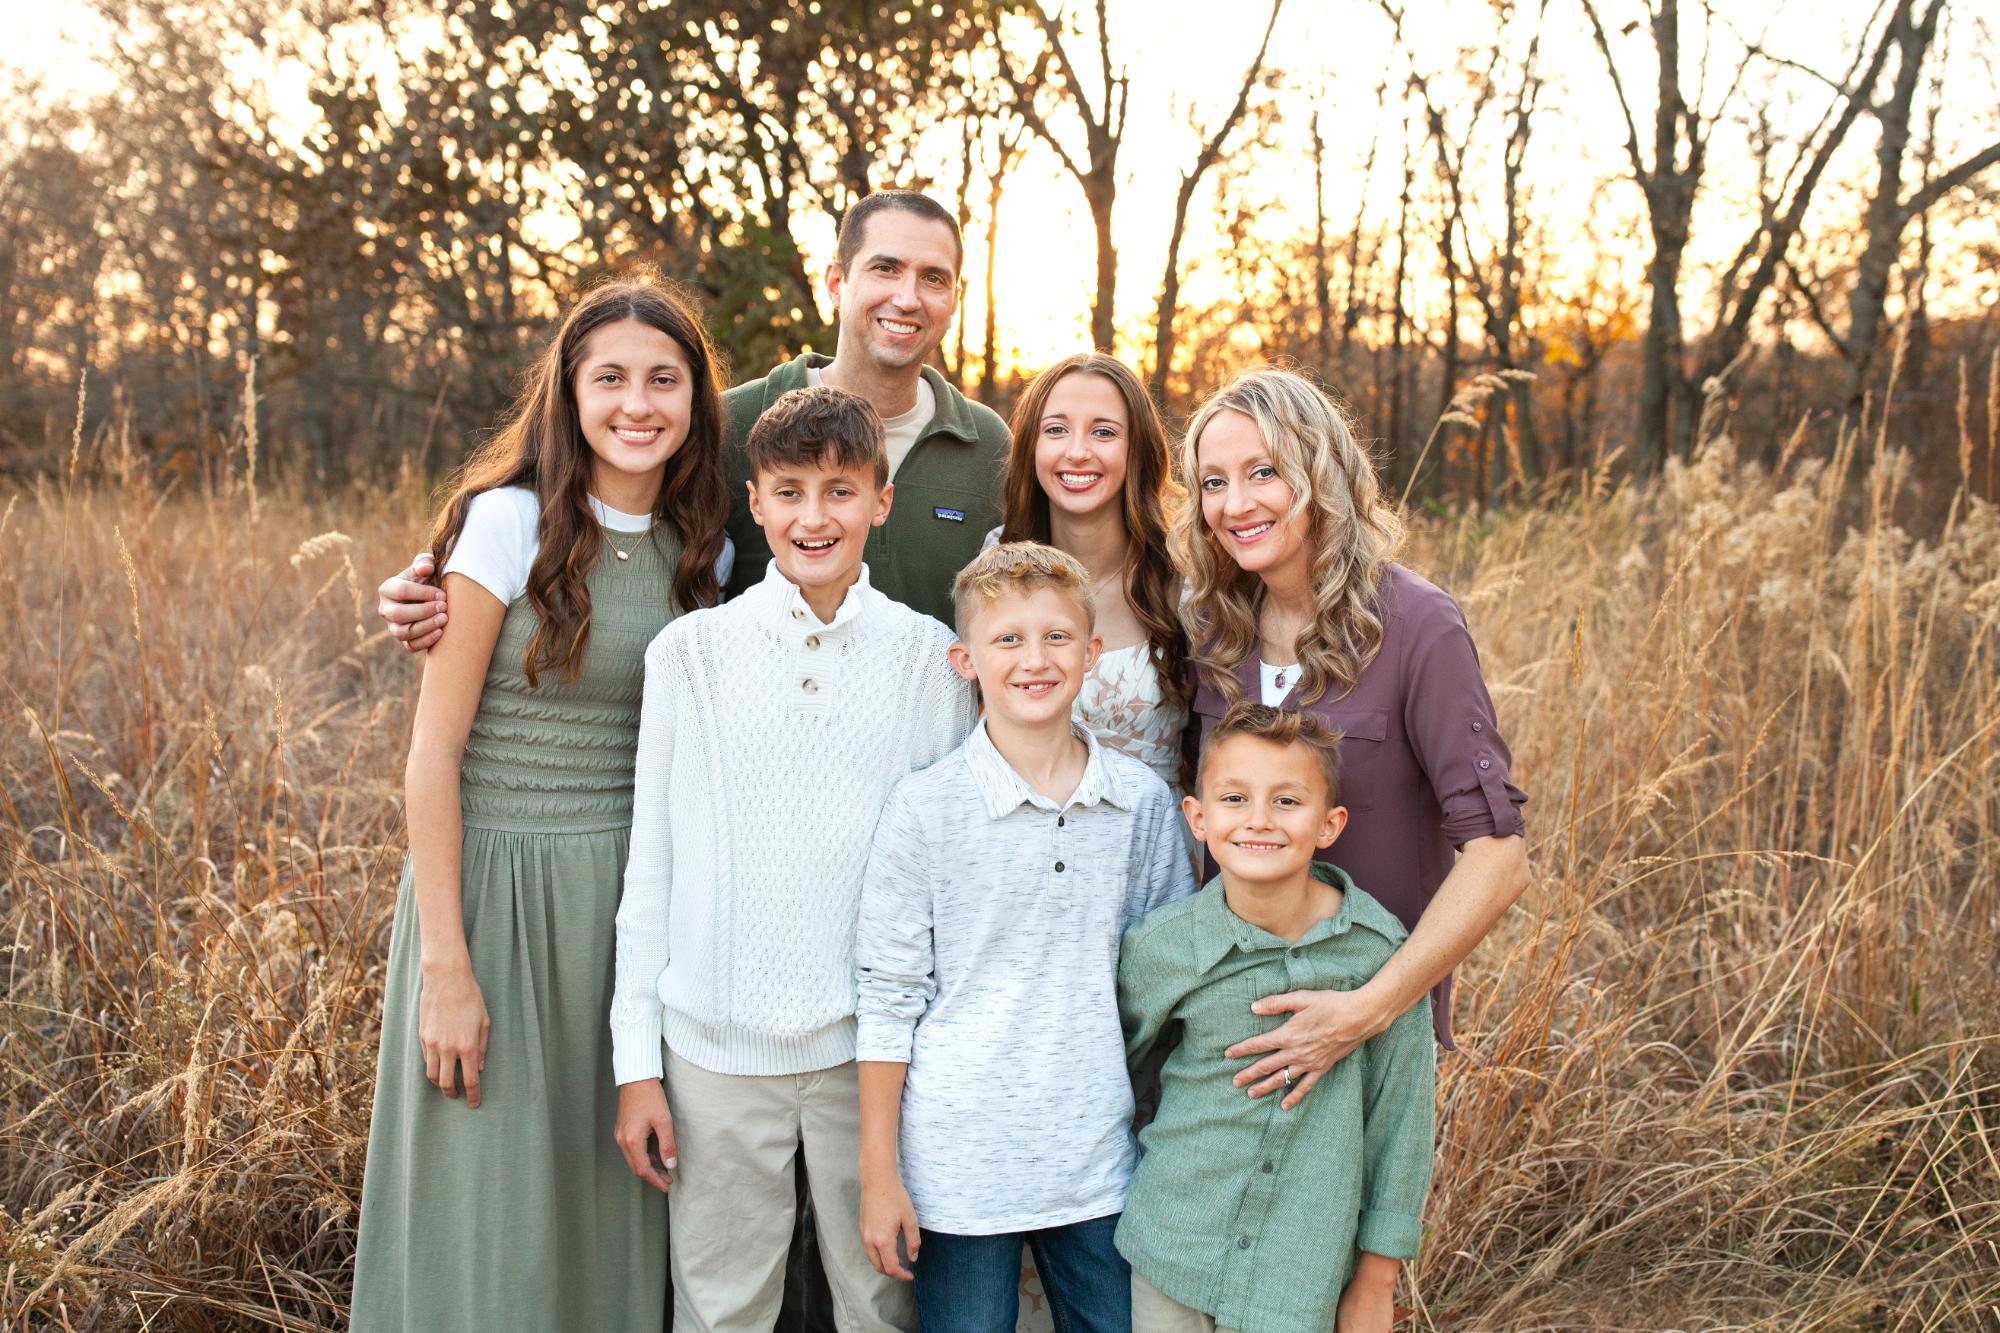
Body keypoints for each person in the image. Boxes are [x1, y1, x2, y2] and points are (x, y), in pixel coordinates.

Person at [350, 275, 731, 1332]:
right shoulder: (507, 522)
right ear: (568, 393)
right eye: (609, 378)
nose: (636, 404)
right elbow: (434, 754)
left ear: (696, 399)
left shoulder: (708, 550)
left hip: (627, 909)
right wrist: (445, 964)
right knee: (491, 1200)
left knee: (604, 1195)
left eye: (663, 380)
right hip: (496, 896)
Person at [608, 385, 977, 1333]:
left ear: (880, 502)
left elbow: (947, 880)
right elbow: (651, 870)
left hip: (870, 1054)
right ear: (756, 502)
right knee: (722, 1306)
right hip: (714, 1051)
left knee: (880, 1303)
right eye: (790, 492)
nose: (815, 517)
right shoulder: (690, 655)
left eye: (840, 491)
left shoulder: (930, 661)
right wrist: (635, 1063)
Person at [378, 189, 1008, 643]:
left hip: (928, 768)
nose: (907, 297)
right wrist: (441, 584)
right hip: (758, 762)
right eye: (885, 268)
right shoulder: (728, 424)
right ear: (836, 282)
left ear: (954, 297)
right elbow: (592, 511)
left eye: (933, 278)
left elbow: (1035, 591)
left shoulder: (988, 445)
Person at [854, 542, 1195, 1333]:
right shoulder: (925, 808)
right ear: (965, 660)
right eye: (1007, 638)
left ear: (1091, 652)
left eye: (1056, 637)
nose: (1034, 659)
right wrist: (880, 1173)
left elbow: (1166, 984)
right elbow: (888, 998)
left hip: (1098, 1162)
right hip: (956, 1170)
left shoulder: (1139, 804)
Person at [1172, 366, 1530, 1105]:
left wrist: (1367, 1009)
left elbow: (1499, 859)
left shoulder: (1417, 625)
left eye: (1264, 472)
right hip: (1225, 1029)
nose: (1235, 504)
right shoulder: (1211, 630)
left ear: (1321, 472)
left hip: (1365, 1034)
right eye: (1213, 482)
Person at [1117, 704, 1434, 1333]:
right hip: (1172, 1249)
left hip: (1299, 1275)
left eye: (1287, 801)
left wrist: (1376, 1280)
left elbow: (1400, 1121)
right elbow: (1124, 1072)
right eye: (1235, 798)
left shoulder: (1378, 953)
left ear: (1329, 824)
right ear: (1198, 818)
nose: (1259, 819)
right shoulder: (1161, 948)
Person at [994, 354, 1189, 793]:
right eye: (1056, 429)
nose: (1078, 451)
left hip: (1153, 828)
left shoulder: (1183, 575)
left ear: (1136, 449)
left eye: (1103, 432)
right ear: (1031, 446)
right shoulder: (996, 565)